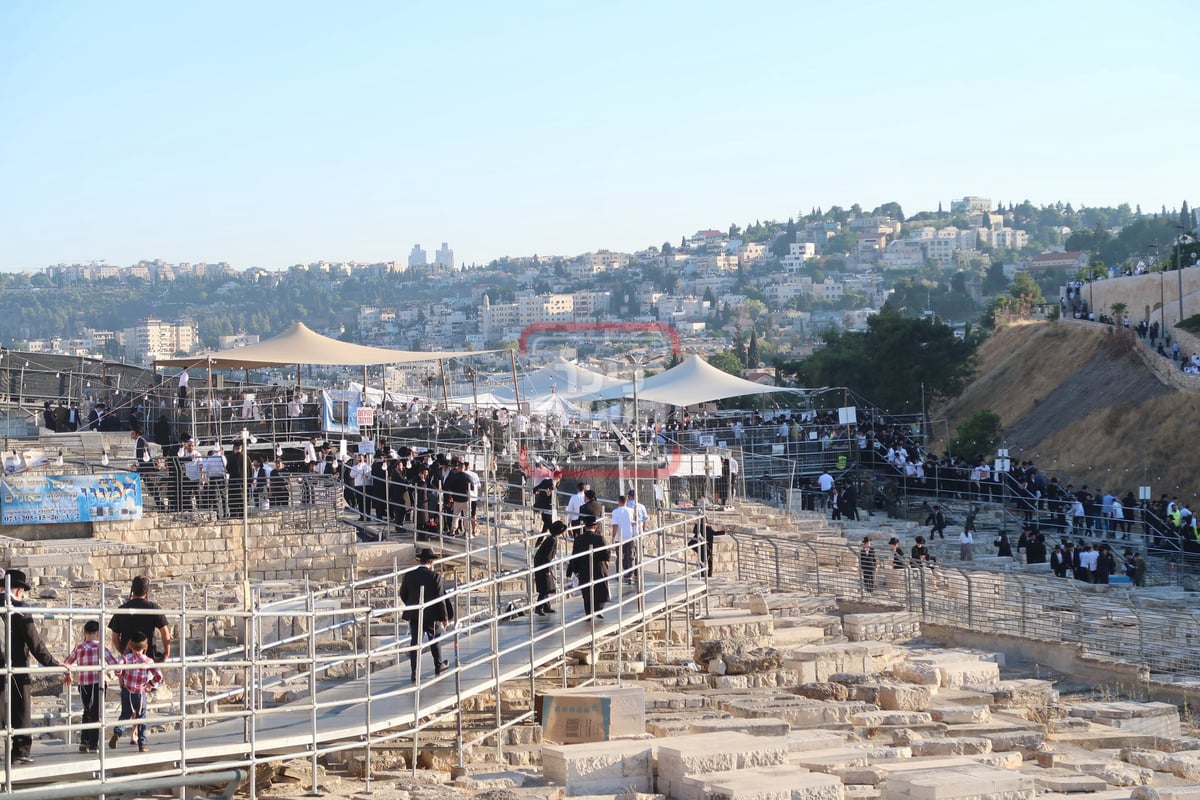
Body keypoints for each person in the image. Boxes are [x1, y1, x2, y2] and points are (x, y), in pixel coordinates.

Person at [0, 570, 63, 763]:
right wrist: (55, 664)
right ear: (19, 590)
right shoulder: (20, 608)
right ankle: (20, 751)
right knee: (21, 709)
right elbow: (35, 643)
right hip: (17, 666)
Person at [63, 620, 121, 753]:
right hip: (97, 684)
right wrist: (120, 673)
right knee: (96, 714)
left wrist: (68, 674)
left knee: (87, 712)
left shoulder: (79, 647)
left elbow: (67, 662)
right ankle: (94, 744)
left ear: (84, 633)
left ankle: (84, 742)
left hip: (83, 684)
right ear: (98, 633)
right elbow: (113, 662)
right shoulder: (100, 647)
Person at [399, 547, 454, 681]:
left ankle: (414, 671)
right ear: (431, 562)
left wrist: (412, 605)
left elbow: (403, 594)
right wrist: (444, 618)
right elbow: (440, 598)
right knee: (434, 639)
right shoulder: (435, 577)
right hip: (431, 614)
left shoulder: (409, 575)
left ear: (420, 561)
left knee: (415, 642)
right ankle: (438, 664)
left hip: (414, 613)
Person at [107, 631, 161, 753]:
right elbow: (159, 676)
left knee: (125, 715)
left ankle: (117, 732)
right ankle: (142, 743)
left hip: (127, 691)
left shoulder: (126, 659)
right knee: (141, 718)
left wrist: (121, 675)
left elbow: (117, 670)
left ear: (130, 645)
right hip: (140, 692)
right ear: (146, 647)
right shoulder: (148, 661)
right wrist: (150, 683)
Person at [108, 575, 171, 662]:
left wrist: (124, 653)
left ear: (132, 590)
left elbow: (115, 637)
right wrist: (167, 653)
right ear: (147, 590)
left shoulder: (122, 610)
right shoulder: (154, 608)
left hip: (129, 659)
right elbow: (165, 632)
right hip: (150, 658)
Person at [567, 516, 611, 617]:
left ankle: (588, 612)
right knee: (600, 588)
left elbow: (574, 555)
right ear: (595, 526)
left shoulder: (578, 539)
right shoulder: (600, 538)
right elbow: (607, 553)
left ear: (585, 526)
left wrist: (574, 569)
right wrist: (606, 560)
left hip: (583, 568)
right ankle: (599, 609)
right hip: (598, 567)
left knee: (587, 591)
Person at [533, 521, 567, 615]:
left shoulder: (551, 539)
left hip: (541, 563)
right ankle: (538, 607)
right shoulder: (552, 540)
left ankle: (546, 606)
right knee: (545, 588)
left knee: (547, 587)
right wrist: (547, 569)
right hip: (542, 565)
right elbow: (547, 556)